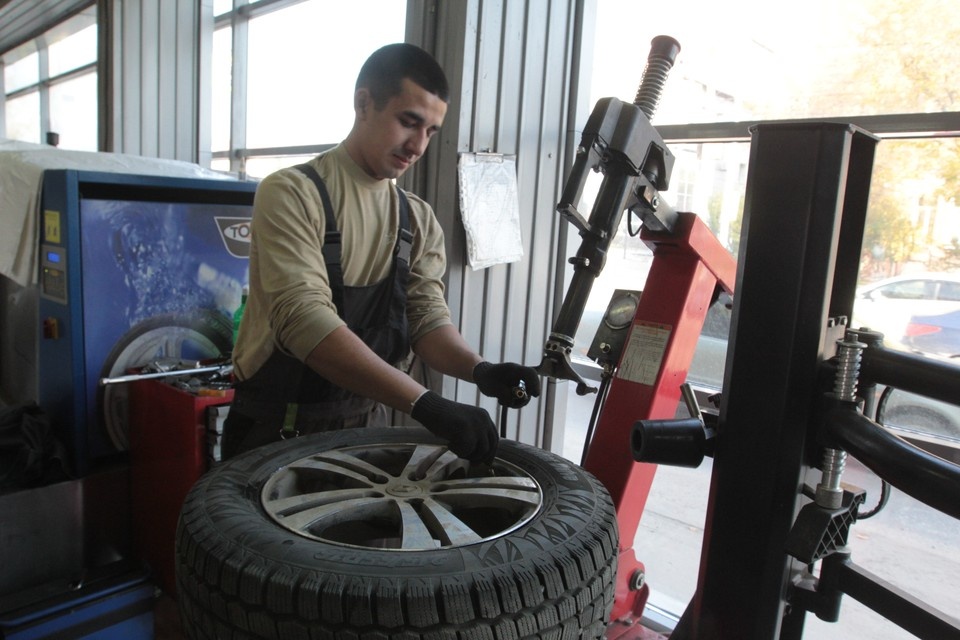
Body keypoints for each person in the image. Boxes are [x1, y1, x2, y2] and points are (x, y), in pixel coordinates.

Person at [223, 43, 540, 463]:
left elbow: (426, 320)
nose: (418, 145)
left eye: (430, 131)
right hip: (275, 434)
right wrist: (427, 405)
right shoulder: (292, 193)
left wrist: (480, 370)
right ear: (363, 103)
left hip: (366, 431)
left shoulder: (417, 220)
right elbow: (303, 320)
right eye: (409, 122)